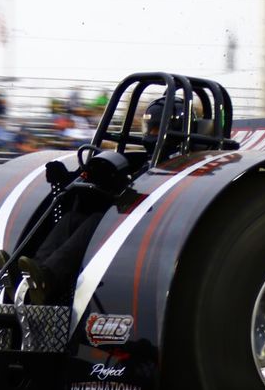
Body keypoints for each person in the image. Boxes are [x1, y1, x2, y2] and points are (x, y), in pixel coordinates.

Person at [13, 96, 188, 305]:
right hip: (122, 220)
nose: (150, 135)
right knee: (72, 218)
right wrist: (68, 178)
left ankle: (48, 278)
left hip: (147, 233)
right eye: (149, 128)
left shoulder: (179, 167)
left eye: (156, 129)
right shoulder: (147, 160)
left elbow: (154, 200)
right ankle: (32, 276)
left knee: (96, 223)